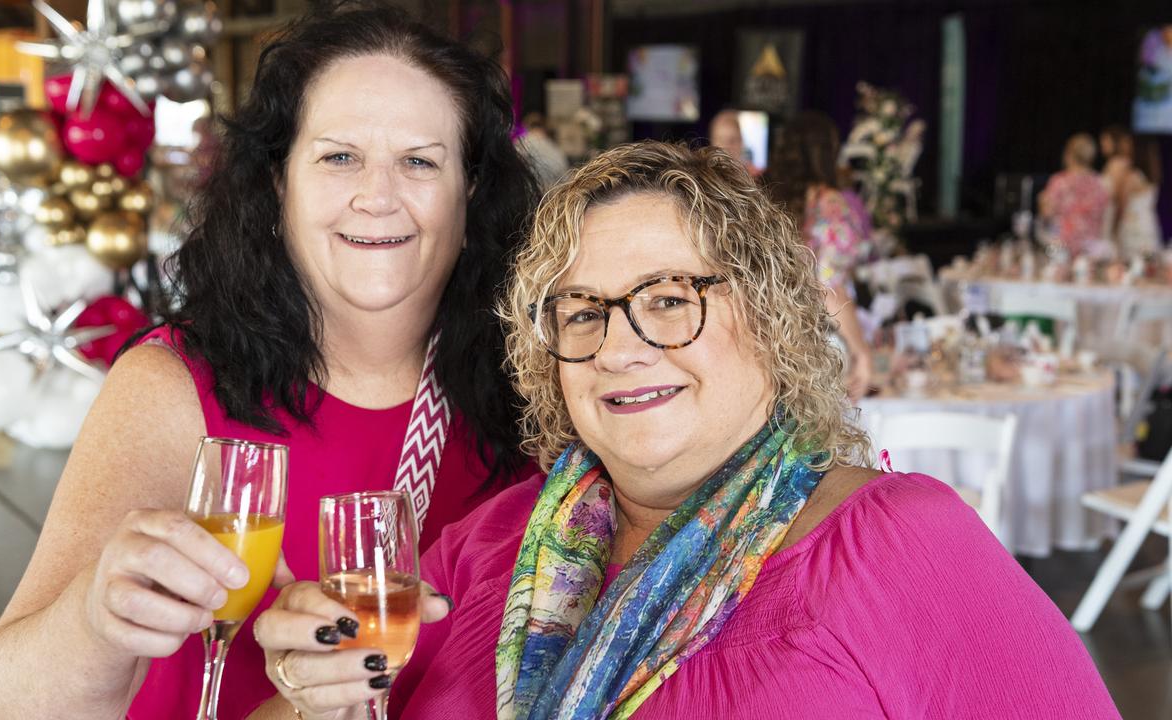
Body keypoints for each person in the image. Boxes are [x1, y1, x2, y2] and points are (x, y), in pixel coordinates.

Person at [250, 141, 1120, 718]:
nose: (621, 347)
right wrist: (301, 688)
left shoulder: (899, 546)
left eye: (669, 300)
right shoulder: (492, 543)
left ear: (771, 320)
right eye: (582, 311)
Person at [0, 4, 540, 719]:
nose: (377, 196)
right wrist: (94, 619)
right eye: (338, 157)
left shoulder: (538, 390)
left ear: (471, 191)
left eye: (419, 161)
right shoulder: (177, 386)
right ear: (277, 183)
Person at [768, 110, 873, 400]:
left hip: (767, 339)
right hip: (815, 343)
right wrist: (861, 351)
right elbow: (828, 287)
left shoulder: (764, 199)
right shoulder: (831, 206)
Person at [1037, 133, 1109, 257]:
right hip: (1090, 250)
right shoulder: (1100, 183)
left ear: (1068, 155)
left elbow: (1047, 214)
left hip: (1060, 249)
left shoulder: (1059, 181)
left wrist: (1041, 202)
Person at [1100, 125, 1164, 257]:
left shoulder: (1133, 177)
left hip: (1132, 228)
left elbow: (1121, 204)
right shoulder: (1151, 176)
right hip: (1148, 225)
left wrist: (1114, 229)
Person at [516, 112, 569, 193]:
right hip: (553, 197)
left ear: (527, 127)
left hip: (529, 195)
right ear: (544, 128)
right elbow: (566, 179)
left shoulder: (521, 144)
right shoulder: (556, 149)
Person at [708, 108, 762, 177]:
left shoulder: (756, 176)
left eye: (732, 140)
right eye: (721, 140)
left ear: (741, 142)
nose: (726, 146)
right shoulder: (703, 177)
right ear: (712, 141)